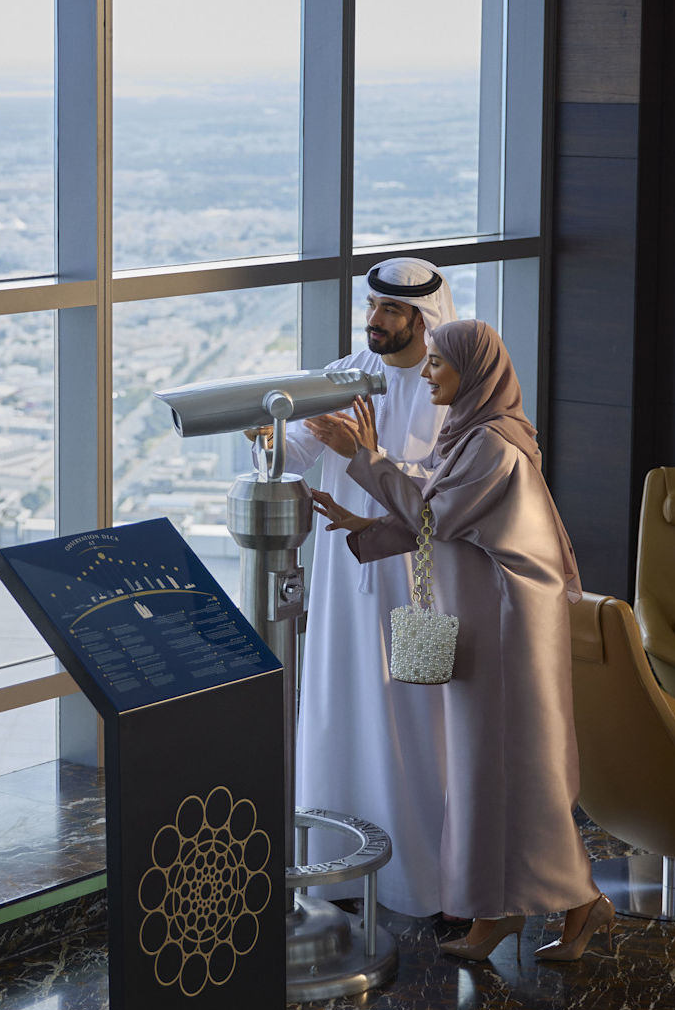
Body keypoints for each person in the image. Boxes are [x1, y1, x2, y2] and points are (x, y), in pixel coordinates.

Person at [306, 319, 614, 962]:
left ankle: (583, 902)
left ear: (474, 373)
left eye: (439, 365)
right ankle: (493, 911)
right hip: (486, 619)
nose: (426, 373)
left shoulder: (494, 446)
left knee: (523, 771)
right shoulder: (470, 435)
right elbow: (442, 515)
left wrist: (362, 457)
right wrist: (367, 522)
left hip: (512, 629)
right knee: (478, 770)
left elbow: (435, 516)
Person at [253, 257, 454, 917]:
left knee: (420, 726)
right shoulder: (343, 377)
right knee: (342, 708)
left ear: (423, 319)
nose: (376, 320)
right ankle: (338, 876)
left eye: (391, 311)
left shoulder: (451, 384)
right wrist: (271, 437)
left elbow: (447, 487)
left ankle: (428, 879)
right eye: (371, 306)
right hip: (348, 580)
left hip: (418, 579)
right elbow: (295, 455)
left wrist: (365, 453)